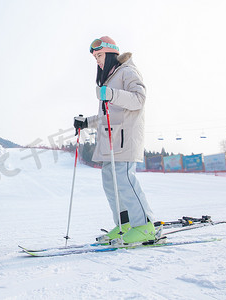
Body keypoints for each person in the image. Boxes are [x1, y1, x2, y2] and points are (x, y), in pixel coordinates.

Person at [74, 36, 155, 244]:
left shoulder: (127, 71)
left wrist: (111, 94)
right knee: (111, 183)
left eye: (100, 55)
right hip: (111, 142)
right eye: (95, 57)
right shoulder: (110, 78)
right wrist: (86, 123)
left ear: (110, 54)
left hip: (125, 139)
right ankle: (124, 225)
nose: (98, 61)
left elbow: (139, 99)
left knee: (125, 180)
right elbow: (105, 116)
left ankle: (145, 226)